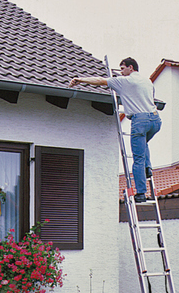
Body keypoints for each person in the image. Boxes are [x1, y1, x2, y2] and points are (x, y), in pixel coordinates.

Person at [69, 57, 161, 203]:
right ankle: (147, 168)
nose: (121, 72)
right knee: (143, 145)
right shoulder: (147, 81)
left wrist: (79, 80)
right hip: (155, 120)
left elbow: (100, 80)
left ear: (131, 68)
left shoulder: (125, 81)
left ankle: (141, 193)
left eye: (123, 68)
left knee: (137, 158)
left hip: (140, 121)